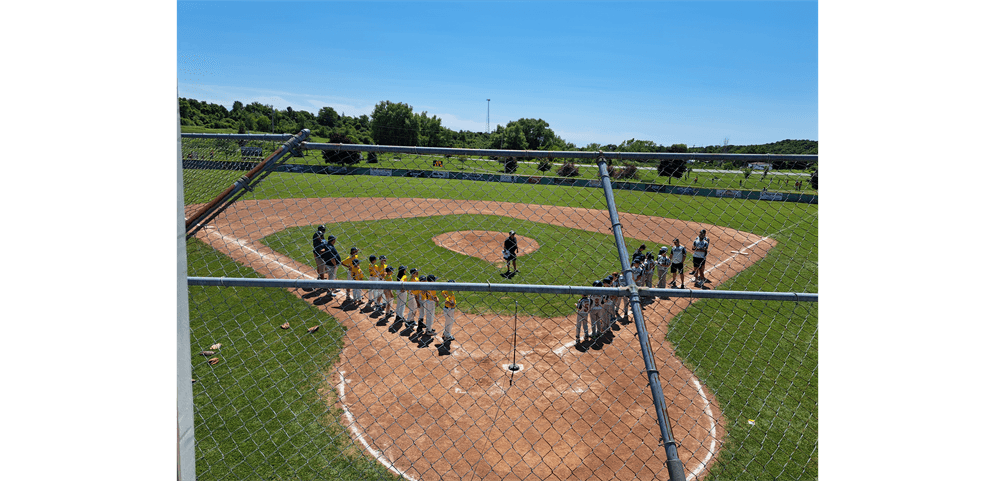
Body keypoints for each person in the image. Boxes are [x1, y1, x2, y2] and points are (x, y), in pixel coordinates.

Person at [305, 225, 326, 291]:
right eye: (324, 229)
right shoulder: (318, 234)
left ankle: (320, 277)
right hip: (318, 254)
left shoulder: (319, 234)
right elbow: (320, 247)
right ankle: (322, 283)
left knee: (319, 266)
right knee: (321, 267)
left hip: (318, 253)